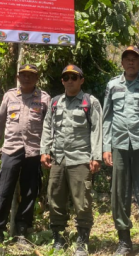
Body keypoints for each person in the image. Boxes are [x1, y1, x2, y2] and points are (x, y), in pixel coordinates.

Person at [102, 45, 139, 256]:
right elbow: (107, 116)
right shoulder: (112, 85)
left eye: (134, 58)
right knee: (119, 193)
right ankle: (124, 241)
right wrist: (106, 146)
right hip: (118, 144)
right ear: (122, 62)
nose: (131, 62)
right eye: (127, 59)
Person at [40, 65, 103, 256]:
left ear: (81, 80)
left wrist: (96, 156)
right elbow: (47, 127)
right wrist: (44, 150)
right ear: (62, 81)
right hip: (58, 158)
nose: (69, 81)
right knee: (55, 199)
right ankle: (59, 238)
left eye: (74, 77)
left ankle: (82, 242)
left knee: (82, 202)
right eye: (66, 78)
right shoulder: (55, 102)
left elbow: (97, 130)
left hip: (81, 159)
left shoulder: (89, 102)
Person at [0, 63, 51, 246]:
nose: (27, 78)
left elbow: (49, 127)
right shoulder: (9, 96)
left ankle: (22, 232)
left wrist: (47, 151)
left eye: (31, 75)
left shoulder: (44, 98)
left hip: (33, 151)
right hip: (11, 149)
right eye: (23, 75)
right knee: (4, 191)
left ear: (37, 78)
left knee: (30, 192)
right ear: (18, 77)